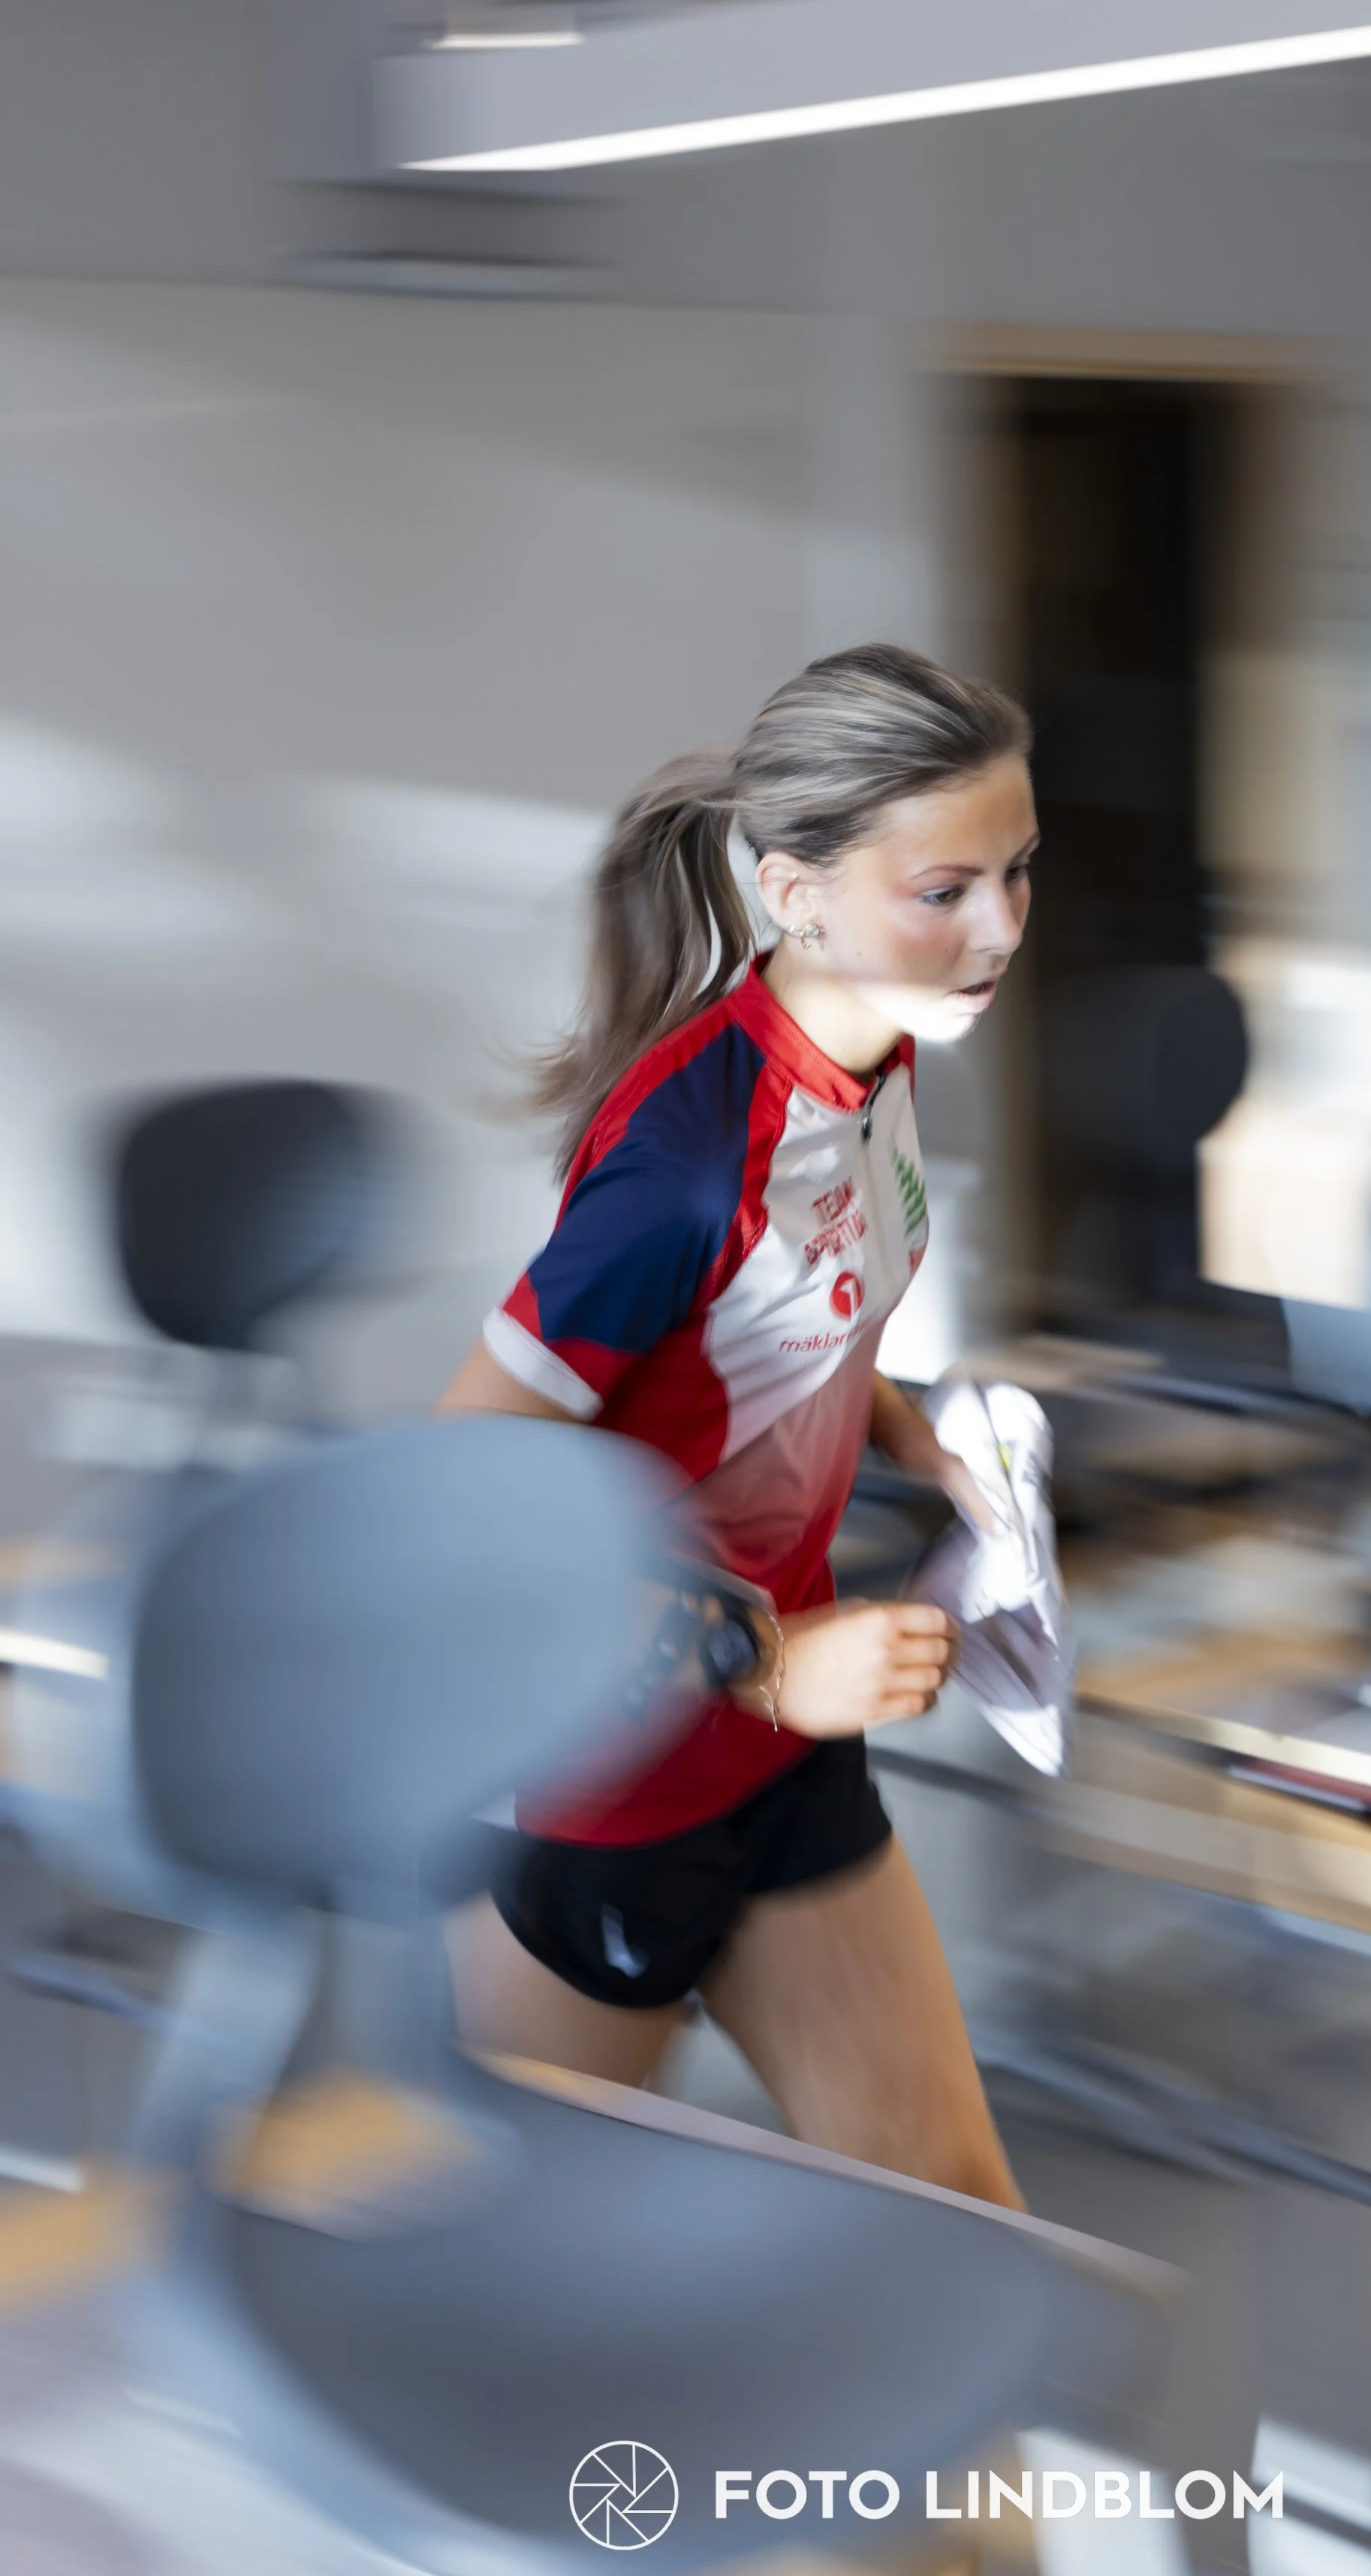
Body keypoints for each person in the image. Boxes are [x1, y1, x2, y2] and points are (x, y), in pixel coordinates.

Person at [441, 644, 1037, 2208]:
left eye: (1015, 875)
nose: (1000, 932)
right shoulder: (689, 1160)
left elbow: (777, 1334)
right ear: (797, 895)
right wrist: (770, 1667)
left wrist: (911, 1435)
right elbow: (467, 1479)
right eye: (946, 891)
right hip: (604, 1777)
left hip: (776, 1755)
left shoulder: (879, 1060)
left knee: (954, 2228)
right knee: (526, 2293)